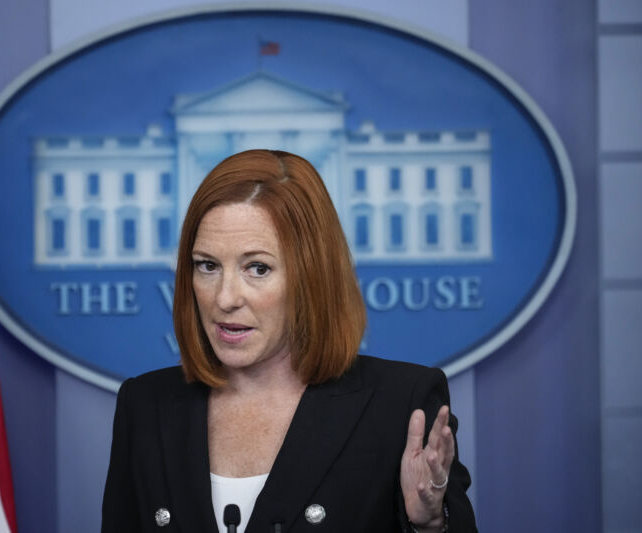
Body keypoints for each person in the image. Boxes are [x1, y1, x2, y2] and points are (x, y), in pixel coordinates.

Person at [102, 150, 477, 532]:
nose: (225, 298)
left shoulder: (401, 404)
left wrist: (430, 524)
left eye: (257, 268)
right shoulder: (145, 404)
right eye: (208, 265)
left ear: (312, 276)